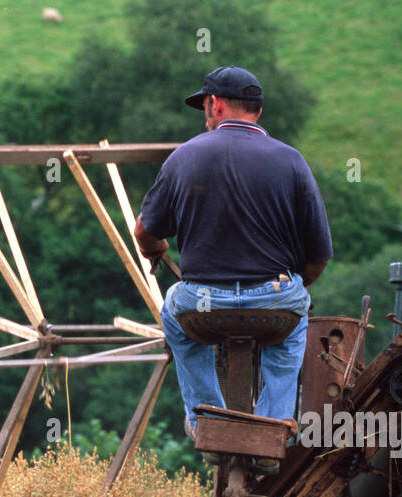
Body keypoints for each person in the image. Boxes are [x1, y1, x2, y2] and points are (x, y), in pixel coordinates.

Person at [134, 65, 333, 436]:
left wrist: (158, 248)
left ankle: (209, 420)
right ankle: (270, 428)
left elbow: (143, 231)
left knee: (173, 315)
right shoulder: (291, 161)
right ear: (258, 110)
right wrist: (294, 286)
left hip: (202, 304)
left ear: (215, 104)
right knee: (293, 326)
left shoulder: (184, 157)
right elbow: (319, 255)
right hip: (273, 302)